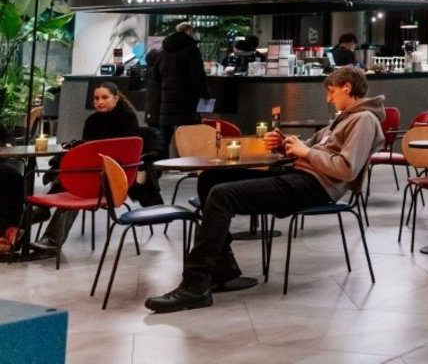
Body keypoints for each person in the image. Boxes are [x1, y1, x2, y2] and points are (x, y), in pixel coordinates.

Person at [144, 66, 385, 313]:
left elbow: (346, 169)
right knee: (210, 179)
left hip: (316, 186)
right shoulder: (343, 119)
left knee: (222, 195)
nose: (328, 98)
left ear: (347, 87)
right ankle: (224, 270)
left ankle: (194, 286)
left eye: (331, 91)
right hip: (298, 176)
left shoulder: (364, 120)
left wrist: (305, 152)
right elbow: (310, 148)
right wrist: (284, 145)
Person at [28, 81, 164, 255]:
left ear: (116, 98)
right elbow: (88, 151)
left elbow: (123, 155)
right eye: (96, 98)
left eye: (105, 97)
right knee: (75, 178)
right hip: (93, 173)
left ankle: (50, 235)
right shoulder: (92, 121)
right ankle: (18, 237)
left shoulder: (127, 119)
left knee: (77, 188)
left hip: (114, 177)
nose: (99, 102)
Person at [149, 22, 209, 156]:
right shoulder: (192, 51)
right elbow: (198, 77)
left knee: (164, 141)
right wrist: (206, 96)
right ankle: (190, 164)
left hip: (166, 105)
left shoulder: (163, 52)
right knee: (191, 138)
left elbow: (155, 79)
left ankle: (162, 165)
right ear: (189, 33)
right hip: (187, 104)